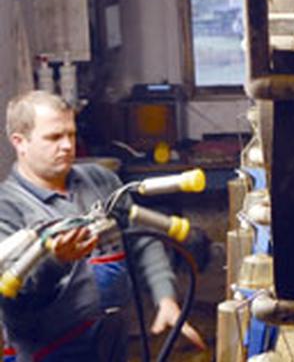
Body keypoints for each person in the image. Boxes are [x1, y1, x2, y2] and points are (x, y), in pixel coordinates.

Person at [0, 91, 206, 360]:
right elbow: (13, 299)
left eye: (71, 134)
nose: (67, 145)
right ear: (20, 142)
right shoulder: (7, 207)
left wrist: (165, 298)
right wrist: (55, 261)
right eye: (53, 137)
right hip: (49, 352)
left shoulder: (100, 180)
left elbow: (141, 239)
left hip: (112, 344)